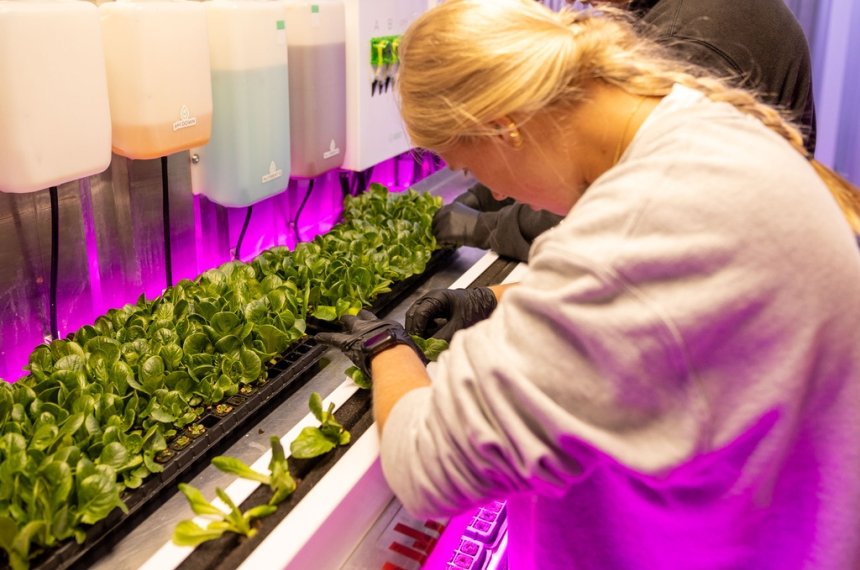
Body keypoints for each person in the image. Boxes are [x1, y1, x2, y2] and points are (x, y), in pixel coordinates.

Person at [317, 1, 860, 568]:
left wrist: (387, 348)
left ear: (503, 126)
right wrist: (497, 301)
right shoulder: (697, 125)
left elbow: (425, 462)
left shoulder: (638, 228)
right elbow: (672, 308)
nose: (494, 193)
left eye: (472, 168)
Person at [435, 0, 819, 262]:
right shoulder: (671, 13)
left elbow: (610, 205)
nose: (575, 3)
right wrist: (489, 192)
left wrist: (486, 227)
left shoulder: (690, 38)